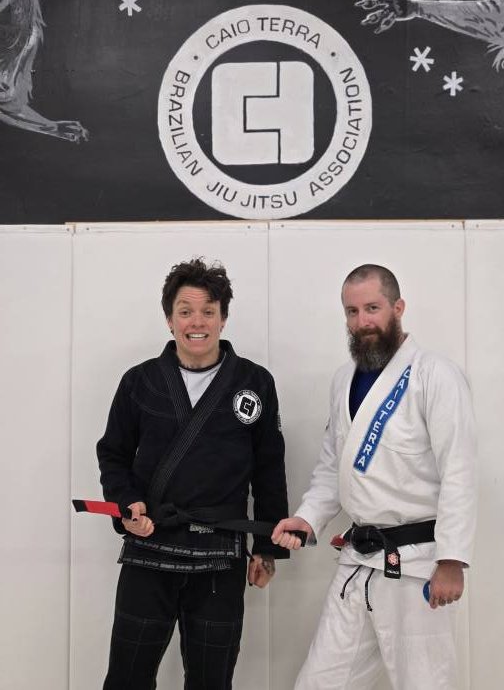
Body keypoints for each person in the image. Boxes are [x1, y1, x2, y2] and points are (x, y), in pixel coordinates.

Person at [272, 264, 476, 690]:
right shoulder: (343, 380)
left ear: (398, 308)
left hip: (417, 564)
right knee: (319, 683)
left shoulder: (434, 374)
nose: (362, 321)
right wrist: (308, 518)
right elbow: (334, 466)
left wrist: (452, 560)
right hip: (359, 559)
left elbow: (458, 472)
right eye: (351, 311)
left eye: (372, 308)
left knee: (425, 684)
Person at [97, 258, 289, 690]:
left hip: (220, 552)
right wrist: (127, 506)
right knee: (127, 678)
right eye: (185, 311)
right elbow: (113, 455)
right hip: (150, 543)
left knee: (211, 681)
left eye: (208, 311)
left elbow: (268, 467)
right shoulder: (140, 382)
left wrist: (266, 547)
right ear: (170, 320)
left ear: (223, 318)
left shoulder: (254, 382)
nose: (196, 322)